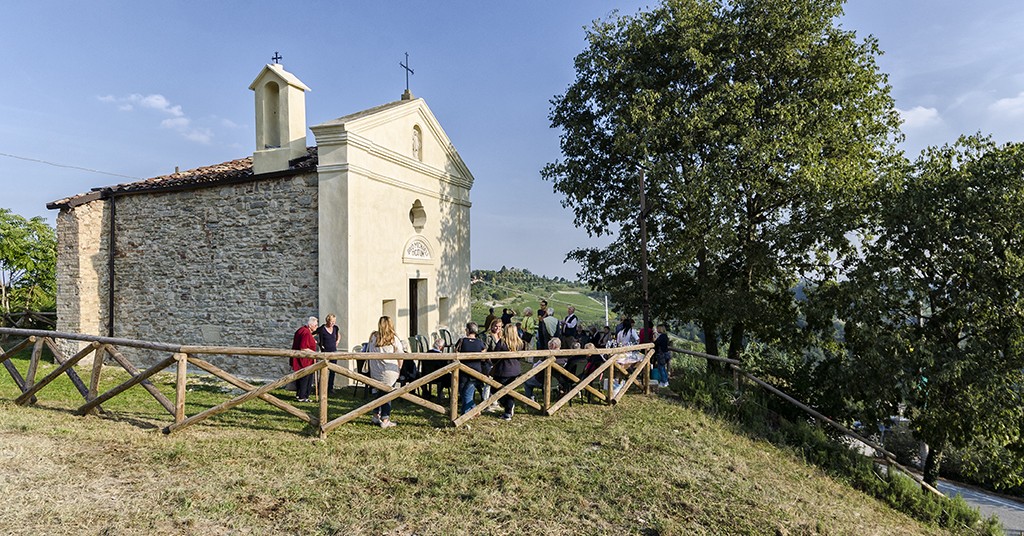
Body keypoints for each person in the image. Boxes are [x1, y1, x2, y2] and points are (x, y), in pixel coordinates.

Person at [367, 316, 405, 429]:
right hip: (389, 370)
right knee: (387, 395)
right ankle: (385, 418)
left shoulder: (373, 337)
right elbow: (400, 355)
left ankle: (375, 415)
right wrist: (399, 368)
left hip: (375, 369)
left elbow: (369, 351)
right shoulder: (393, 339)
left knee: (377, 394)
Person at [491, 323, 523, 421]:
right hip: (515, 370)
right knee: (509, 392)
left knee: (496, 390)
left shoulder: (502, 342)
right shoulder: (520, 343)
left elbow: (494, 357)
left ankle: (508, 411)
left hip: (503, 371)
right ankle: (508, 409)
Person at [455, 321, 486, 414]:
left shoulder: (461, 341)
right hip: (476, 370)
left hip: (463, 370)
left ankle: (466, 413)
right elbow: (483, 357)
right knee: (468, 392)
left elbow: (455, 353)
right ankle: (474, 410)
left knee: (464, 392)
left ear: (467, 330)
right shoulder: (480, 343)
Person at [291, 316, 318, 402]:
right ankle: (303, 396)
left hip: (300, 359)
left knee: (301, 377)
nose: (316, 327)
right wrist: (315, 354)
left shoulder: (301, 330)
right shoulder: (306, 332)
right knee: (305, 378)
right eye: (315, 325)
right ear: (310, 325)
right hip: (305, 360)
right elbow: (304, 348)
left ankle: (300, 395)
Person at [316, 313, 340, 393]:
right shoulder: (322, 329)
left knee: (332, 371)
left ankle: (330, 388)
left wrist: (337, 340)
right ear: (327, 321)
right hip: (325, 352)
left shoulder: (335, 328)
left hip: (333, 352)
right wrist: (317, 343)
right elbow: (312, 334)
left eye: (334, 321)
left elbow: (338, 334)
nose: (332, 323)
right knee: (323, 370)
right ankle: (321, 387)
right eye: (331, 321)